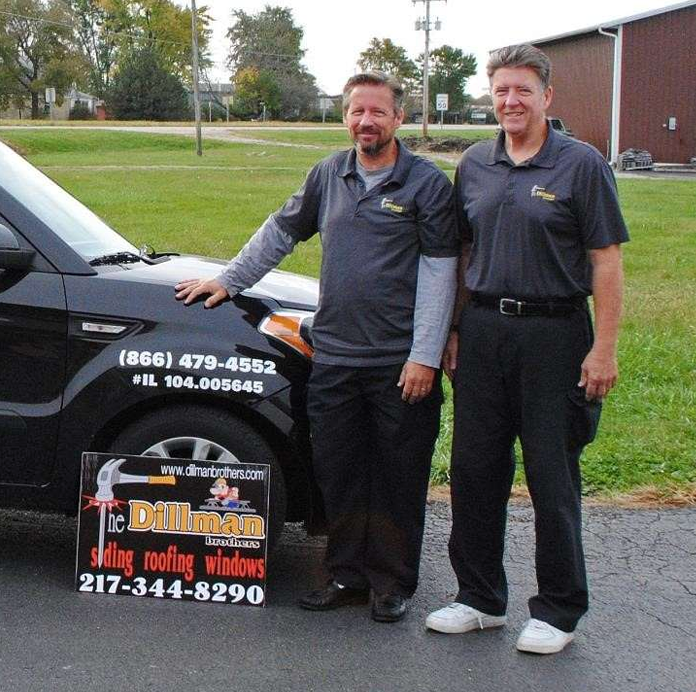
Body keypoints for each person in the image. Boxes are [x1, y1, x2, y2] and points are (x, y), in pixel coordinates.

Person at [176, 72, 457, 623]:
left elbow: (442, 271)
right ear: (346, 116)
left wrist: (424, 355)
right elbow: (281, 231)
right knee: (339, 473)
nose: (366, 121)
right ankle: (346, 575)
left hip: (399, 364)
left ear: (398, 118)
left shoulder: (427, 185)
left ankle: (391, 584)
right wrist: (230, 281)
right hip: (333, 358)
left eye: (378, 112)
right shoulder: (329, 173)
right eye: (357, 111)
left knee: (398, 475)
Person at [425, 45, 627, 655]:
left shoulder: (581, 165)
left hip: (555, 335)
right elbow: (462, 255)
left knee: (550, 474)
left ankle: (558, 610)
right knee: (475, 470)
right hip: (485, 333)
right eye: (501, 91)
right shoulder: (475, 165)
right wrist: (455, 330)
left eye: (522, 91)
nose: (510, 102)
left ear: (546, 97)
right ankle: (479, 598)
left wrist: (605, 349)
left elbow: (606, 261)